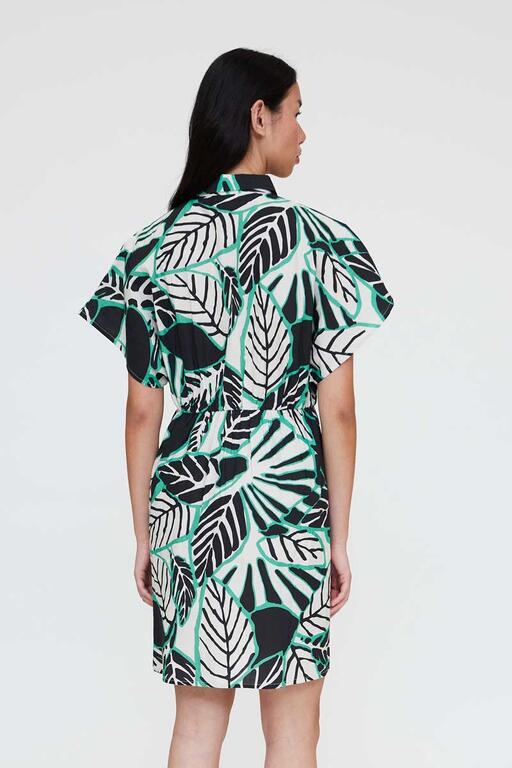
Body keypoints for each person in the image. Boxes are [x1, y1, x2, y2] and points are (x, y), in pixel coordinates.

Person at [78, 47, 395, 768]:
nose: (303, 132)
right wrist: (338, 539)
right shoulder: (321, 245)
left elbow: (140, 414)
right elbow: (339, 413)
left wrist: (145, 535)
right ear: (260, 116)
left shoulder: (151, 250)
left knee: (195, 728)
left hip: (187, 511)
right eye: (297, 113)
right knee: (294, 732)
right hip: (286, 506)